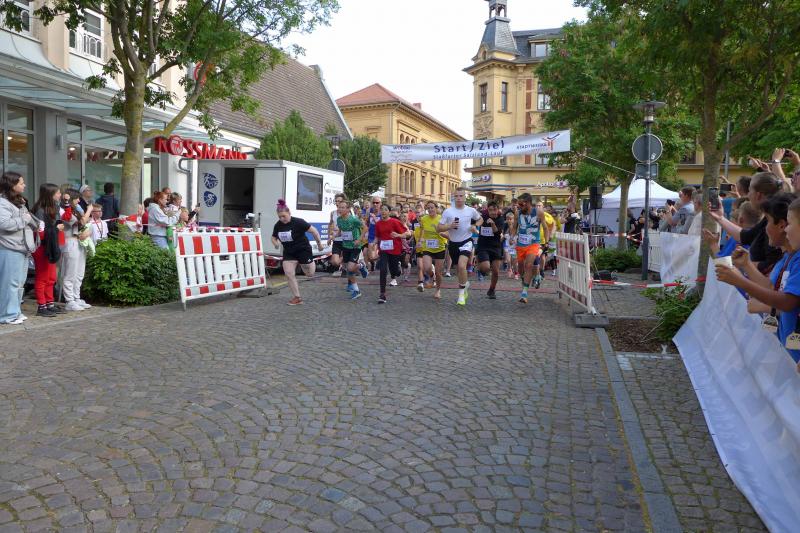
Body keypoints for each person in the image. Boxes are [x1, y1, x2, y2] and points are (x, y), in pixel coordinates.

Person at [716, 193, 800, 370]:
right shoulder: (788, 257)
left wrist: (742, 282)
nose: (786, 230)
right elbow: (772, 287)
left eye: (767, 221)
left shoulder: (797, 259)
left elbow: (788, 302)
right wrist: (747, 266)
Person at [710, 172, 783, 274]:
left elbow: (770, 265)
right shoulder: (767, 219)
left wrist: (745, 265)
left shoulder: (774, 221)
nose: (748, 195)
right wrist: (720, 218)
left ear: (758, 195)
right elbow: (745, 236)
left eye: (750, 190)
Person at [0, 172, 39, 324]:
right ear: (12, 185)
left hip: (22, 248)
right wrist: (24, 219)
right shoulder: (3, 203)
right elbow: (4, 224)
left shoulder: (18, 201)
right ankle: (7, 315)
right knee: (10, 283)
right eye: (21, 183)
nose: (24, 185)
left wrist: (34, 223)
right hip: (9, 248)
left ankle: (15, 311)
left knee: (19, 283)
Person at [271, 199, 323, 305]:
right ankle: (297, 297)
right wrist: (275, 243)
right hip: (289, 252)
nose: (282, 219)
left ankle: (309, 263)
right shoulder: (278, 225)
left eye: (284, 216)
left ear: (289, 213)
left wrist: (319, 244)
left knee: (309, 274)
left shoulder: (299, 222)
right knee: (289, 273)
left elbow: (314, 231)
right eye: (280, 217)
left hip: (303, 250)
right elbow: (273, 237)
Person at [438, 187, 483, 305]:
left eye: (461, 196)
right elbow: (439, 228)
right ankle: (465, 284)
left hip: (466, 241)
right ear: (454, 197)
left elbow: (480, 219)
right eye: (456, 196)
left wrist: (475, 226)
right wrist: (449, 226)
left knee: (462, 266)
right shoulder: (448, 211)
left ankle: (461, 294)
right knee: (459, 269)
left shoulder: (471, 210)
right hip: (453, 243)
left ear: (465, 197)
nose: (459, 198)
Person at [31, 183, 67, 317]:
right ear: (50, 195)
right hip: (42, 247)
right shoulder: (40, 210)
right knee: (42, 277)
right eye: (57, 193)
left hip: (51, 246)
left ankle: (49, 303)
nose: (60, 195)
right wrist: (56, 229)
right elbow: (40, 233)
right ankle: (42, 306)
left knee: (51, 277)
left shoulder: (54, 208)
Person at [508, 192, 547, 303]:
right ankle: (528, 279)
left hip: (533, 243)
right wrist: (512, 237)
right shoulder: (518, 213)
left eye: (521, 204)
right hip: (521, 244)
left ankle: (524, 293)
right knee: (520, 268)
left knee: (528, 265)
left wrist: (546, 243)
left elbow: (545, 228)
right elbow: (515, 227)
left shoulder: (538, 213)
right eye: (519, 204)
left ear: (528, 203)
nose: (519, 206)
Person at [61, 188, 93, 311]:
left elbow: (84, 223)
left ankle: (76, 297)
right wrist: (89, 210)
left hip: (79, 241)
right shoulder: (65, 210)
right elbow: (81, 221)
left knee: (79, 273)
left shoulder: (76, 210)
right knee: (70, 273)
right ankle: (69, 300)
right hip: (70, 242)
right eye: (77, 198)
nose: (79, 201)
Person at [375, 204, 411, 303]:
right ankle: (382, 294)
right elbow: (377, 237)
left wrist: (398, 235)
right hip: (383, 250)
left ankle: (397, 269)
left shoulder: (395, 222)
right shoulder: (378, 224)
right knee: (383, 270)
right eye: (382, 210)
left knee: (394, 271)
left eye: (385, 209)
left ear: (389, 212)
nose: (383, 211)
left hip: (395, 250)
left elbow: (408, 233)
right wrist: (373, 245)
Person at [415, 200, 448, 300]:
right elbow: (422, 231)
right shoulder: (424, 219)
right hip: (427, 247)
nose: (430, 210)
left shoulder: (441, 219)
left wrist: (439, 232)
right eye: (428, 208)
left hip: (440, 247)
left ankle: (438, 290)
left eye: (432, 207)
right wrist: (420, 240)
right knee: (426, 268)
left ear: (436, 208)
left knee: (439, 272)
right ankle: (431, 275)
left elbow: (447, 234)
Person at [335, 200, 368, 300]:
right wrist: (332, 237)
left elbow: (365, 228)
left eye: (343, 207)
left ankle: (361, 266)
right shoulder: (339, 219)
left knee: (350, 268)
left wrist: (359, 239)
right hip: (345, 246)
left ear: (348, 209)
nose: (340, 209)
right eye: (339, 207)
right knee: (347, 269)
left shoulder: (353, 219)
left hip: (355, 246)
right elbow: (340, 231)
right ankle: (356, 290)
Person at [476, 201, 504, 298]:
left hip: (495, 247)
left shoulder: (500, 219)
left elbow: (497, 232)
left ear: (498, 210)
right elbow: (476, 222)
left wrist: (492, 224)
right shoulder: (483, 217)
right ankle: (480, 267)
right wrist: (475, 225)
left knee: (496, 271)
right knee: (486, 268)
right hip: (483, 246)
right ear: (487, 210)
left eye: (494, 210)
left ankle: (491, 290)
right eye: (490, 210)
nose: (493, 212)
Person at [328, 193, 347, 277]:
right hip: (336, 240)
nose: (337, 203)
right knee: (335, 262)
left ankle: (345, 268)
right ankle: (344, 262)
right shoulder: (333, 213)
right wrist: (329, 235)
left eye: (339, 201)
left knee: (347, 260)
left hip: (346, 239)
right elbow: (330, 224)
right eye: (336, 201)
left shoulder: (347, 213)